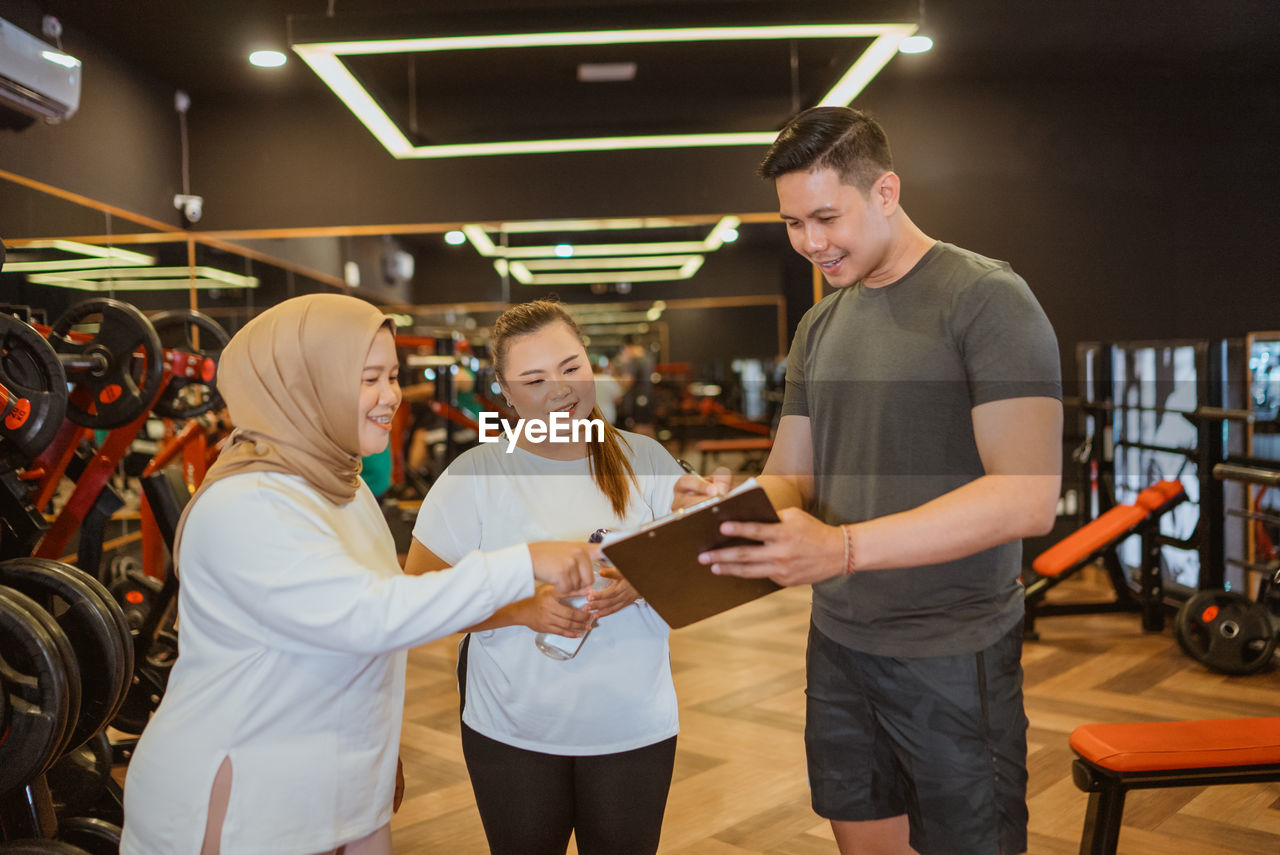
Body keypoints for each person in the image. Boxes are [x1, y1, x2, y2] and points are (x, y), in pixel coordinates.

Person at [679, 107, 1063, 855]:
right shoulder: (820, 327)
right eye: (793, 223)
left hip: (955, 650)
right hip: (840, 643)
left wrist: (844, 548)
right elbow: (789, 476)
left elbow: (1027, 494)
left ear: (885, 191)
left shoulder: (986, 298)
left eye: (826, 216)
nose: (811, 243)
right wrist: (734, 509)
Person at [120, 294, 594, 855]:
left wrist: (375, 753)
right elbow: (370, 615)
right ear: (305, 384)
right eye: (370, 378)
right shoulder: (245, 503)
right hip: (246, 796)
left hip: (334, 788)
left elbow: (383, 613)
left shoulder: (344, 485)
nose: (391, 396)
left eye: (393, 376)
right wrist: (525, 561)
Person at [405, 299, 685, 855]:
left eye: (571, 367)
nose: (561, 388)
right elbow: (417, 594)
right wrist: (519, 609)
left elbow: (701, 563)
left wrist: (642, 579)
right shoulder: (476, 474)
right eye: (534, 379)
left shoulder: (646, 458)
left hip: (633, 723)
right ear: (505, 394)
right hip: (513, 729)